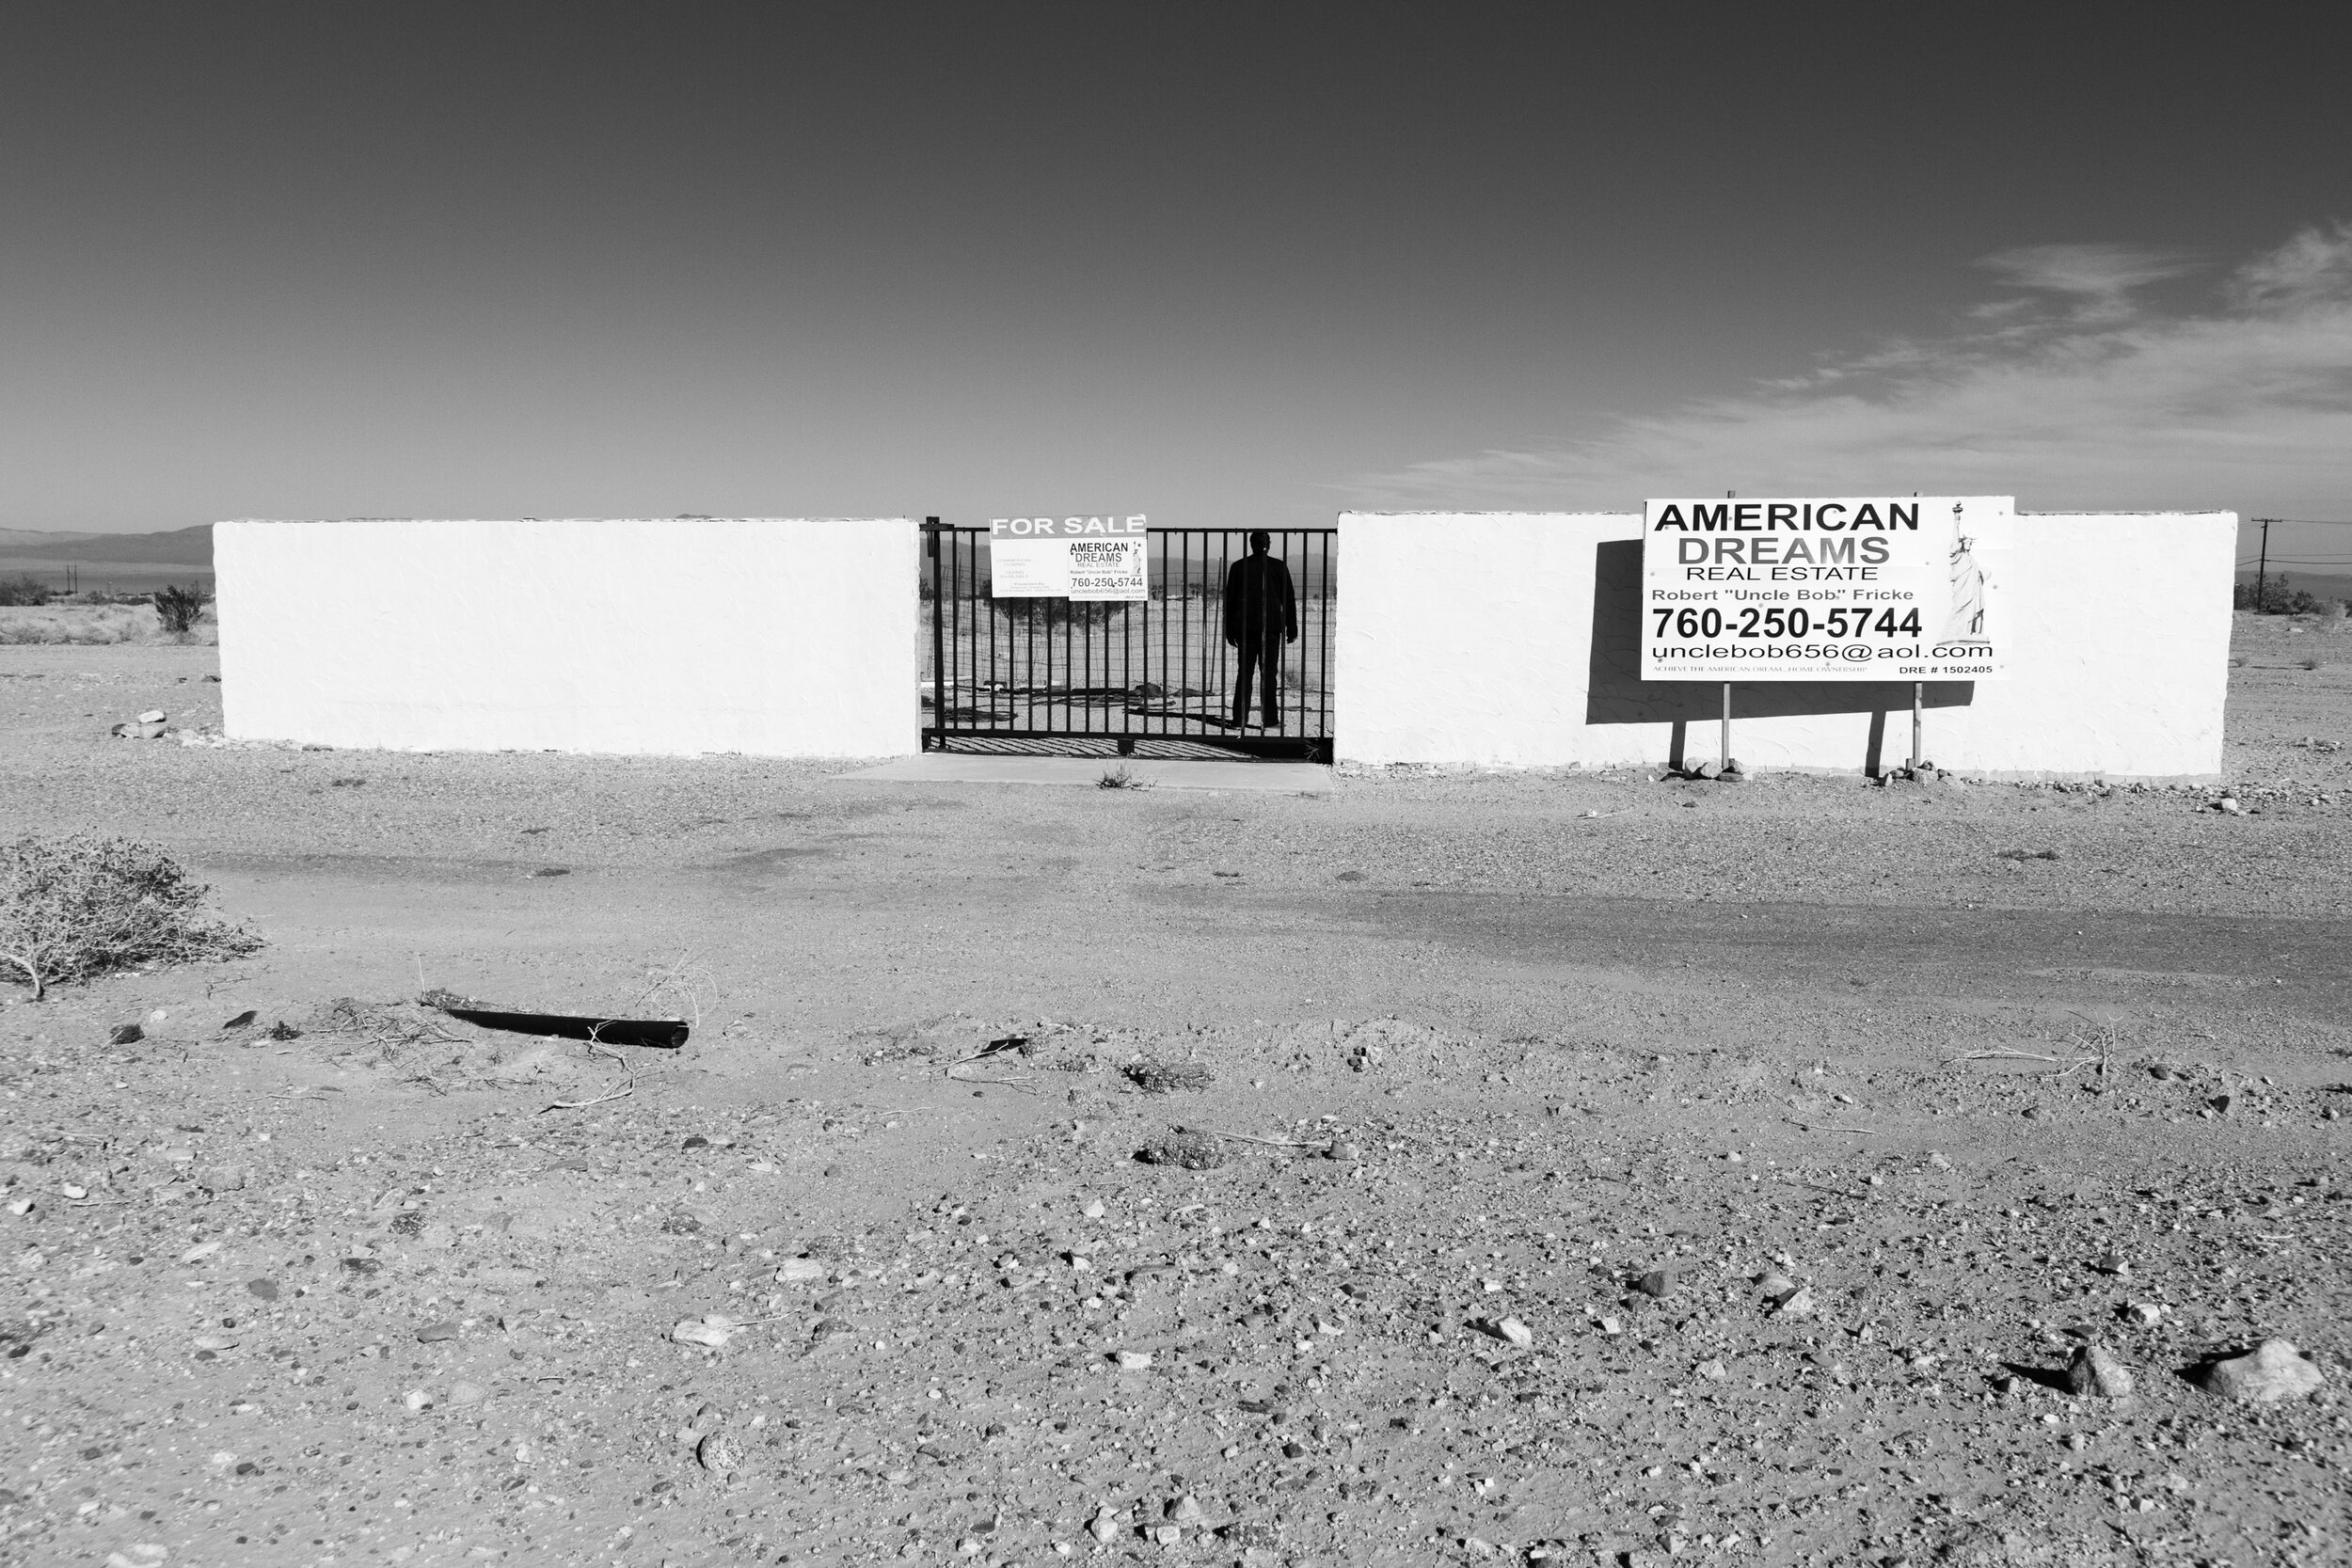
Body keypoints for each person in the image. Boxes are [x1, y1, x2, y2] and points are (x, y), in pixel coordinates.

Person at [1223, 531, 1297, 728]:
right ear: (1269, 544)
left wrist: (1229, 630)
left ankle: (1239, 719)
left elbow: (1230, 602)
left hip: (1245, 628)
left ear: (1251, 544)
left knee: (1245, 674)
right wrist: (1292, 627)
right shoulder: (1278, 566)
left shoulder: (1238, 567)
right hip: (1271, 628)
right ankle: (1270, 720)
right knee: (1269, 675)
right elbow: (1288, 599)